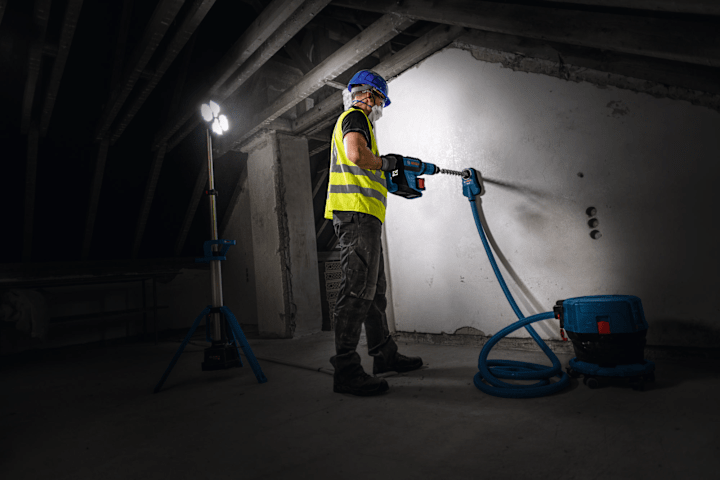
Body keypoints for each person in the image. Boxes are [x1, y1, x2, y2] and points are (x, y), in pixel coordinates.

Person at [323, 69, 423, 396]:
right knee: (357, 291)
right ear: (368, 95)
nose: (380, 106)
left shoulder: (358, 121)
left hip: (363, 215)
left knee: (375, 292)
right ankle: (346, 370)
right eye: (380, 100)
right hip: (356, 214)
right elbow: (356, 155)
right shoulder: (356, 117)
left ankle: (384, 355)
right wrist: (385, 163)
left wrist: (387, 171)